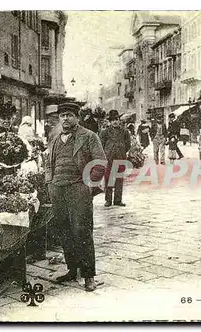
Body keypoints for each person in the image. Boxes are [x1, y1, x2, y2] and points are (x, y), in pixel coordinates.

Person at [44, 102, 107, 291]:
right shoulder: (55, 139)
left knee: (82, 231)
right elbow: (48, 163)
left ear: (77, 117)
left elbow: (100, 163)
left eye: (69, 115)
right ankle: (72, 270)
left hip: (78, 189)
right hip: (58, 190)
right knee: (64, 231)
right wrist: (50, 182)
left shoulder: (89, 136)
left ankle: (89, 276)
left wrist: (88, 184)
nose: (65, 119)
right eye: (62, 115)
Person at [99, 110, 132, 207]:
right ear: (110, 121)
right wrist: (108, 152)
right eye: (112, 120)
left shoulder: (125, 131)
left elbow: (128, 144)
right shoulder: (105, 132)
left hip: (120, 157)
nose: (115, 122)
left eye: (116, 119)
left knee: (119, 179)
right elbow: (102, 144)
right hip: (108, 158)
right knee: (109, 178)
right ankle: (108, 200)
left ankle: (118, 200)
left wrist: (121, 151)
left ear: (119, 120)